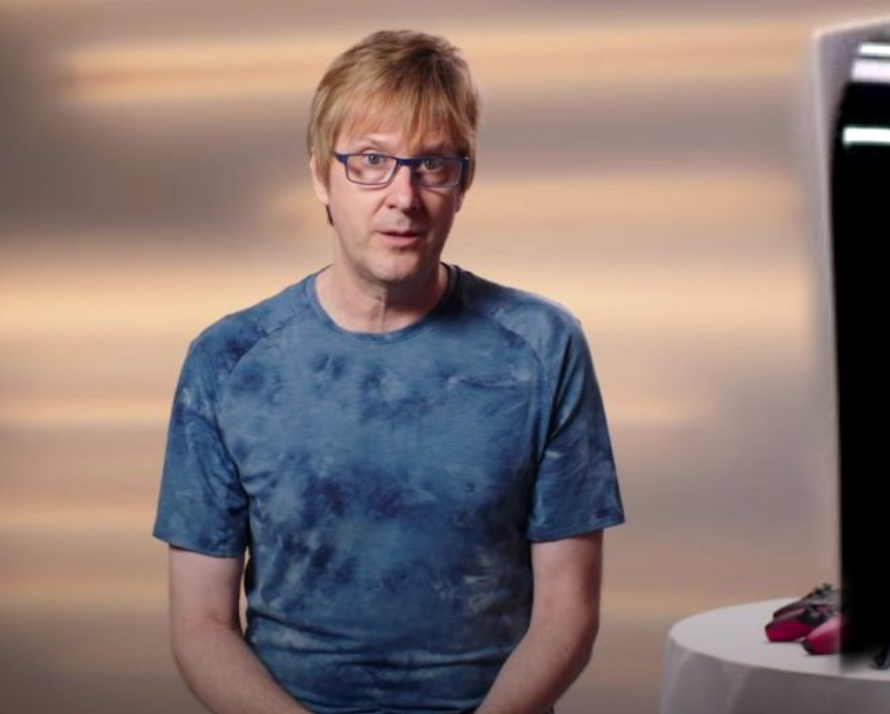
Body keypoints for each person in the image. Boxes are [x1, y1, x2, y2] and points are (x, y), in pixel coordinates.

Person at [152, 29, 625, 714]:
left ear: (463, 182)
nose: (403, 196)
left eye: (432, 164)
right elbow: (200, 624)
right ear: (321, 174)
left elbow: (567, 611)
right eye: (371, 160)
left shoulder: (544, 347)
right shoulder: (228, 360)